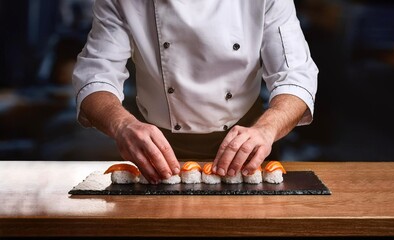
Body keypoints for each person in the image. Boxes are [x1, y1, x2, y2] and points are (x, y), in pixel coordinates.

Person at [72, 0, 318, 184]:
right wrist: (122, 125)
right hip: (154, 153)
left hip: (247, 151)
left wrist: (266, 129)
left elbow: (295, 74)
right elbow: (96, 74)